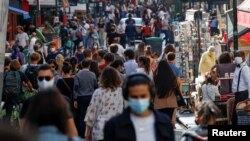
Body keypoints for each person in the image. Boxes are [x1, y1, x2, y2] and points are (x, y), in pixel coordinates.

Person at [104, 73, 174, 141]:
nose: (139, 100)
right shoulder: (114, 126)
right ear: (126, 96)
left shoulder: (164, 123)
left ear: (151, 95)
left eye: (143, 96)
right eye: (134, 97)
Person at [85, 67, 124, 141]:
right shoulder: (121, 92)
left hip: (100, 129)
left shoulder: (98, 92)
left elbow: (91, 114)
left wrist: (87, 133)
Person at [73, 60, 98, 138]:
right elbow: (95, 85)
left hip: (81, 97)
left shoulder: (78, 75)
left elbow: (76, 88)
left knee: (81, 116)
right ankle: (90, 134)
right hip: (91, 96)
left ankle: (82, 134)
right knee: (91, 115)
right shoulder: (93, 74)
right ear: (89, 66)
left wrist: (75, 99)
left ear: (81, 65)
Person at [154, 60, 179, 127]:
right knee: (168, 120)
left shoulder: (156, 77)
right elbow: (177, 87)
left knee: (161, 122)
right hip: (171, 102)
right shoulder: (172, 77)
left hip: (159, 102)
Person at [231, 51, 250, 125]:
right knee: (237, 117)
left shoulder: (245, 69)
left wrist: (249, 97)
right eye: (235, 56)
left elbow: (249, 82)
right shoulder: (237, 67)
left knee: (241, 117)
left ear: (243, 57)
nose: (236, 57)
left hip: (243, 94)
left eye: (238, 56)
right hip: (238, 95)